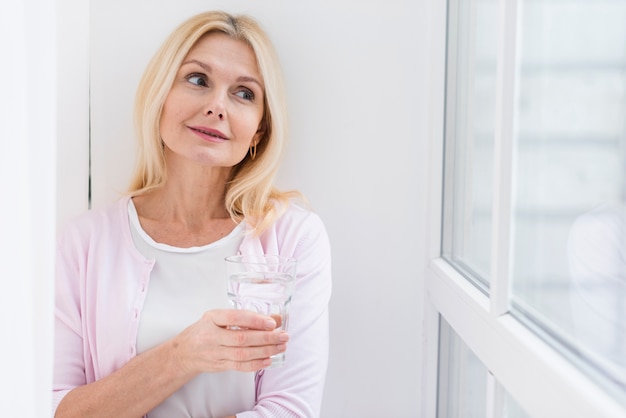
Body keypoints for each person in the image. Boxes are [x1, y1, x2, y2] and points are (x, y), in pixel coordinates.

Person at [53, 11, 332, 418]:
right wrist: (184, 354)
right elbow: (56, 408)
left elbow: (292, 411)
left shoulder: (293, 238)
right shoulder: (85, 242)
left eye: (244, 93)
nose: (217, 107)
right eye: (198, 80)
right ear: (162, 96)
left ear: (258, 132)